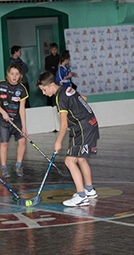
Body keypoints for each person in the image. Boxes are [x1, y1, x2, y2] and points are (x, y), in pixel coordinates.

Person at [36, 71, 99, 207]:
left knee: (69, 161)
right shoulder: (67, 89)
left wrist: (58, 141)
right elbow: (84, 98)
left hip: (82, 128)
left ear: (52, 85)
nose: (44, 93)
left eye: (44, 89)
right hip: (91, 124)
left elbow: (64, 124)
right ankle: (89, 190)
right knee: (81, 159)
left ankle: (81, 196)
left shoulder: (60, 97)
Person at [0, 64, 29, 178]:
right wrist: (3, 112)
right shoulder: (0, 85)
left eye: (17, 74)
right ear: (8, 74)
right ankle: (4, 167)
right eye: (12, 74)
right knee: (4, 144)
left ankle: (18, 165)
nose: (14, 76)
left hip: (17, 120)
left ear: (20, 75)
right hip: (4, 121)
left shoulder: (22, 89)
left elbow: (22, 109)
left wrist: (24, 126)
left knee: (22, 142)